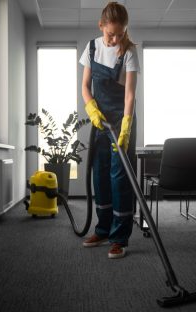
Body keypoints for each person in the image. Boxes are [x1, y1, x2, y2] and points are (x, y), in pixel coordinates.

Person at [79, 2, 140, 259]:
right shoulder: (92, 48)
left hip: (121, 121)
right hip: (99, 122)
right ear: (101, 26)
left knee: (120, 178)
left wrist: (125, 128)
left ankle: (119, 238)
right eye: (111, 34)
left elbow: (129, 95)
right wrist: (91, 109)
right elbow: (85, 86)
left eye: (121, 34)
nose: (115, 39)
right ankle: (102, 229)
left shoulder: (128, 52)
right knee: (100, 174)